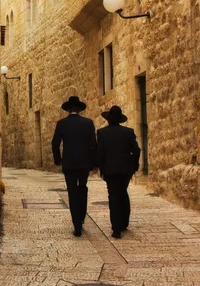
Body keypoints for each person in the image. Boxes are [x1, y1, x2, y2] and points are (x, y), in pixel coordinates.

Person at [52, 96, 97, 237]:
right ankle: (82, 216)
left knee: (72, 193)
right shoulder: (88, 123)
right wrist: (94, 163)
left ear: (68, 109)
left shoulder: (62, 124)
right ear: (79, 109)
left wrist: (58, 160)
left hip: (69, 164)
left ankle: (76, 225)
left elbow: (55, 143)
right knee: (82, 189)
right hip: (84, 164)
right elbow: (93, 145)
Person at [97, 105, 141, 239]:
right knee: (122, 192)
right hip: (126, 170)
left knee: (113, 196)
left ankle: (116, 228)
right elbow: (136, 150)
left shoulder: (102, 133)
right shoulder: (128, 132)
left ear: (108, 119)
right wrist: (134, 165)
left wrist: (101, 168)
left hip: (110, 170)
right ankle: (124, 222)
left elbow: (101, 153)